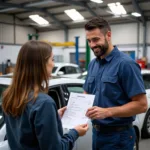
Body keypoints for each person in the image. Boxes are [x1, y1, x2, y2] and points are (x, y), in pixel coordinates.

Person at [2, 41, 88, 150]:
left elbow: (25, 130)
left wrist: (53, 116)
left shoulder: (9, 96)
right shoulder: (44, 102)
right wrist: (75, 133)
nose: (53, 64)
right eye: (52, 59)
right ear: (41, 64)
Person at [83, 17, 148, 150]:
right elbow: (86, 94)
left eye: (95, 39)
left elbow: (141, 105)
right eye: (89, 41)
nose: (92, 45)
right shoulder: (93, 64)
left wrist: (108, 112)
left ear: (108, 35)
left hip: (119, 136)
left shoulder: (126, 64)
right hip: (96, 133)